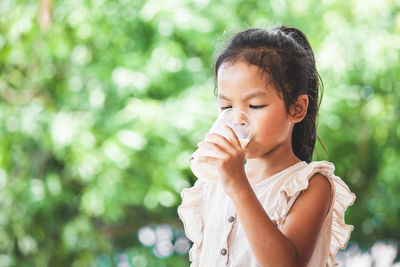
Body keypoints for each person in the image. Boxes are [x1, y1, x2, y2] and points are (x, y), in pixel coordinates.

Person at [177, 25, 356, 267]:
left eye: (256, 105)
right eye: (227, 107)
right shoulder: (214, 183)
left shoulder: (311, 184)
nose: (237, 118)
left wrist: (238, 185)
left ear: (297, 108)